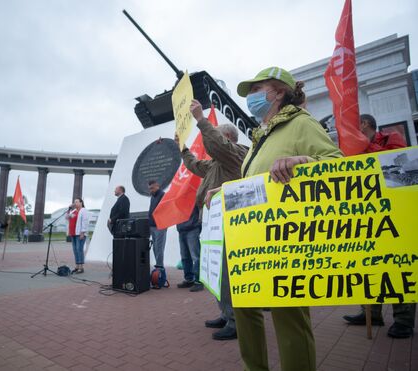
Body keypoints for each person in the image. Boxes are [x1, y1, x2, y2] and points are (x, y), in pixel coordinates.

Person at [231, 66, 343, 370]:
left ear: (278, 92)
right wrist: (225, 190)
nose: (251, 98)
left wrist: (301, 161)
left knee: (288, 314)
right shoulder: (259, 136)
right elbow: (256, 182)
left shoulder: (301, 123)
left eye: (257, 90)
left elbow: (337, 164)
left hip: (285, 238)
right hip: (251, 239)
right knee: (243, 306)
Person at [177, 100, 249, 340]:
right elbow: (194, 165)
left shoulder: (237, 154)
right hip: (213, 225)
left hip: (230, 225)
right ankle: (226, 313)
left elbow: (217, 145)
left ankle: (237, 321)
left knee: (227, 275)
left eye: (215, 137)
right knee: (216, 273)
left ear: (228, 138)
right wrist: (182, 148)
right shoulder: (217, 163)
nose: (210, 142)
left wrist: (200, 119)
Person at [342, 113, 414, 339]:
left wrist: (362, 146)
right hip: (366, 212)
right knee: (369, 264)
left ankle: (403, 320)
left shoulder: (391, 138)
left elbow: (391, 160)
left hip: (395, 213)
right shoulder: (354, 147)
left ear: (364, 124)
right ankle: (370, 312)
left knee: (398, 265)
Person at [175, 205, 203, 292]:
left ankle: (199, 282)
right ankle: (189, 279)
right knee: (185, 257)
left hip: (192, 228)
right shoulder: (179, 199)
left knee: (196, 257)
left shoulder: (193, 195)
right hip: (182, 229)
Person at [66, 198, 89, 273]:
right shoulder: (74, 211)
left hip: (80, 233)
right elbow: (67, 217)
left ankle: (81, 267)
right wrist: (69, 209)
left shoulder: (83, 210)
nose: (75, 203)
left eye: (76, 202)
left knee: (79, 249)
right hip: (73, 233)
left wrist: (82, 232)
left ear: (81, 203)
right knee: (75, 250)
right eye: (74, 202)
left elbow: (85, 222)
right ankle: (77, 265)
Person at [148, 180, 167, 268]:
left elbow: (163, 210)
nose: (151, 190)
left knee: (159, 247)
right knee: (155, 247)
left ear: (157, 186)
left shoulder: (163, 195)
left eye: (152, 188)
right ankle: (158, 265)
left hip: (160, 225)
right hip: (152, 225)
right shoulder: (153, 197)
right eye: (149, 189)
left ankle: (160, 266)